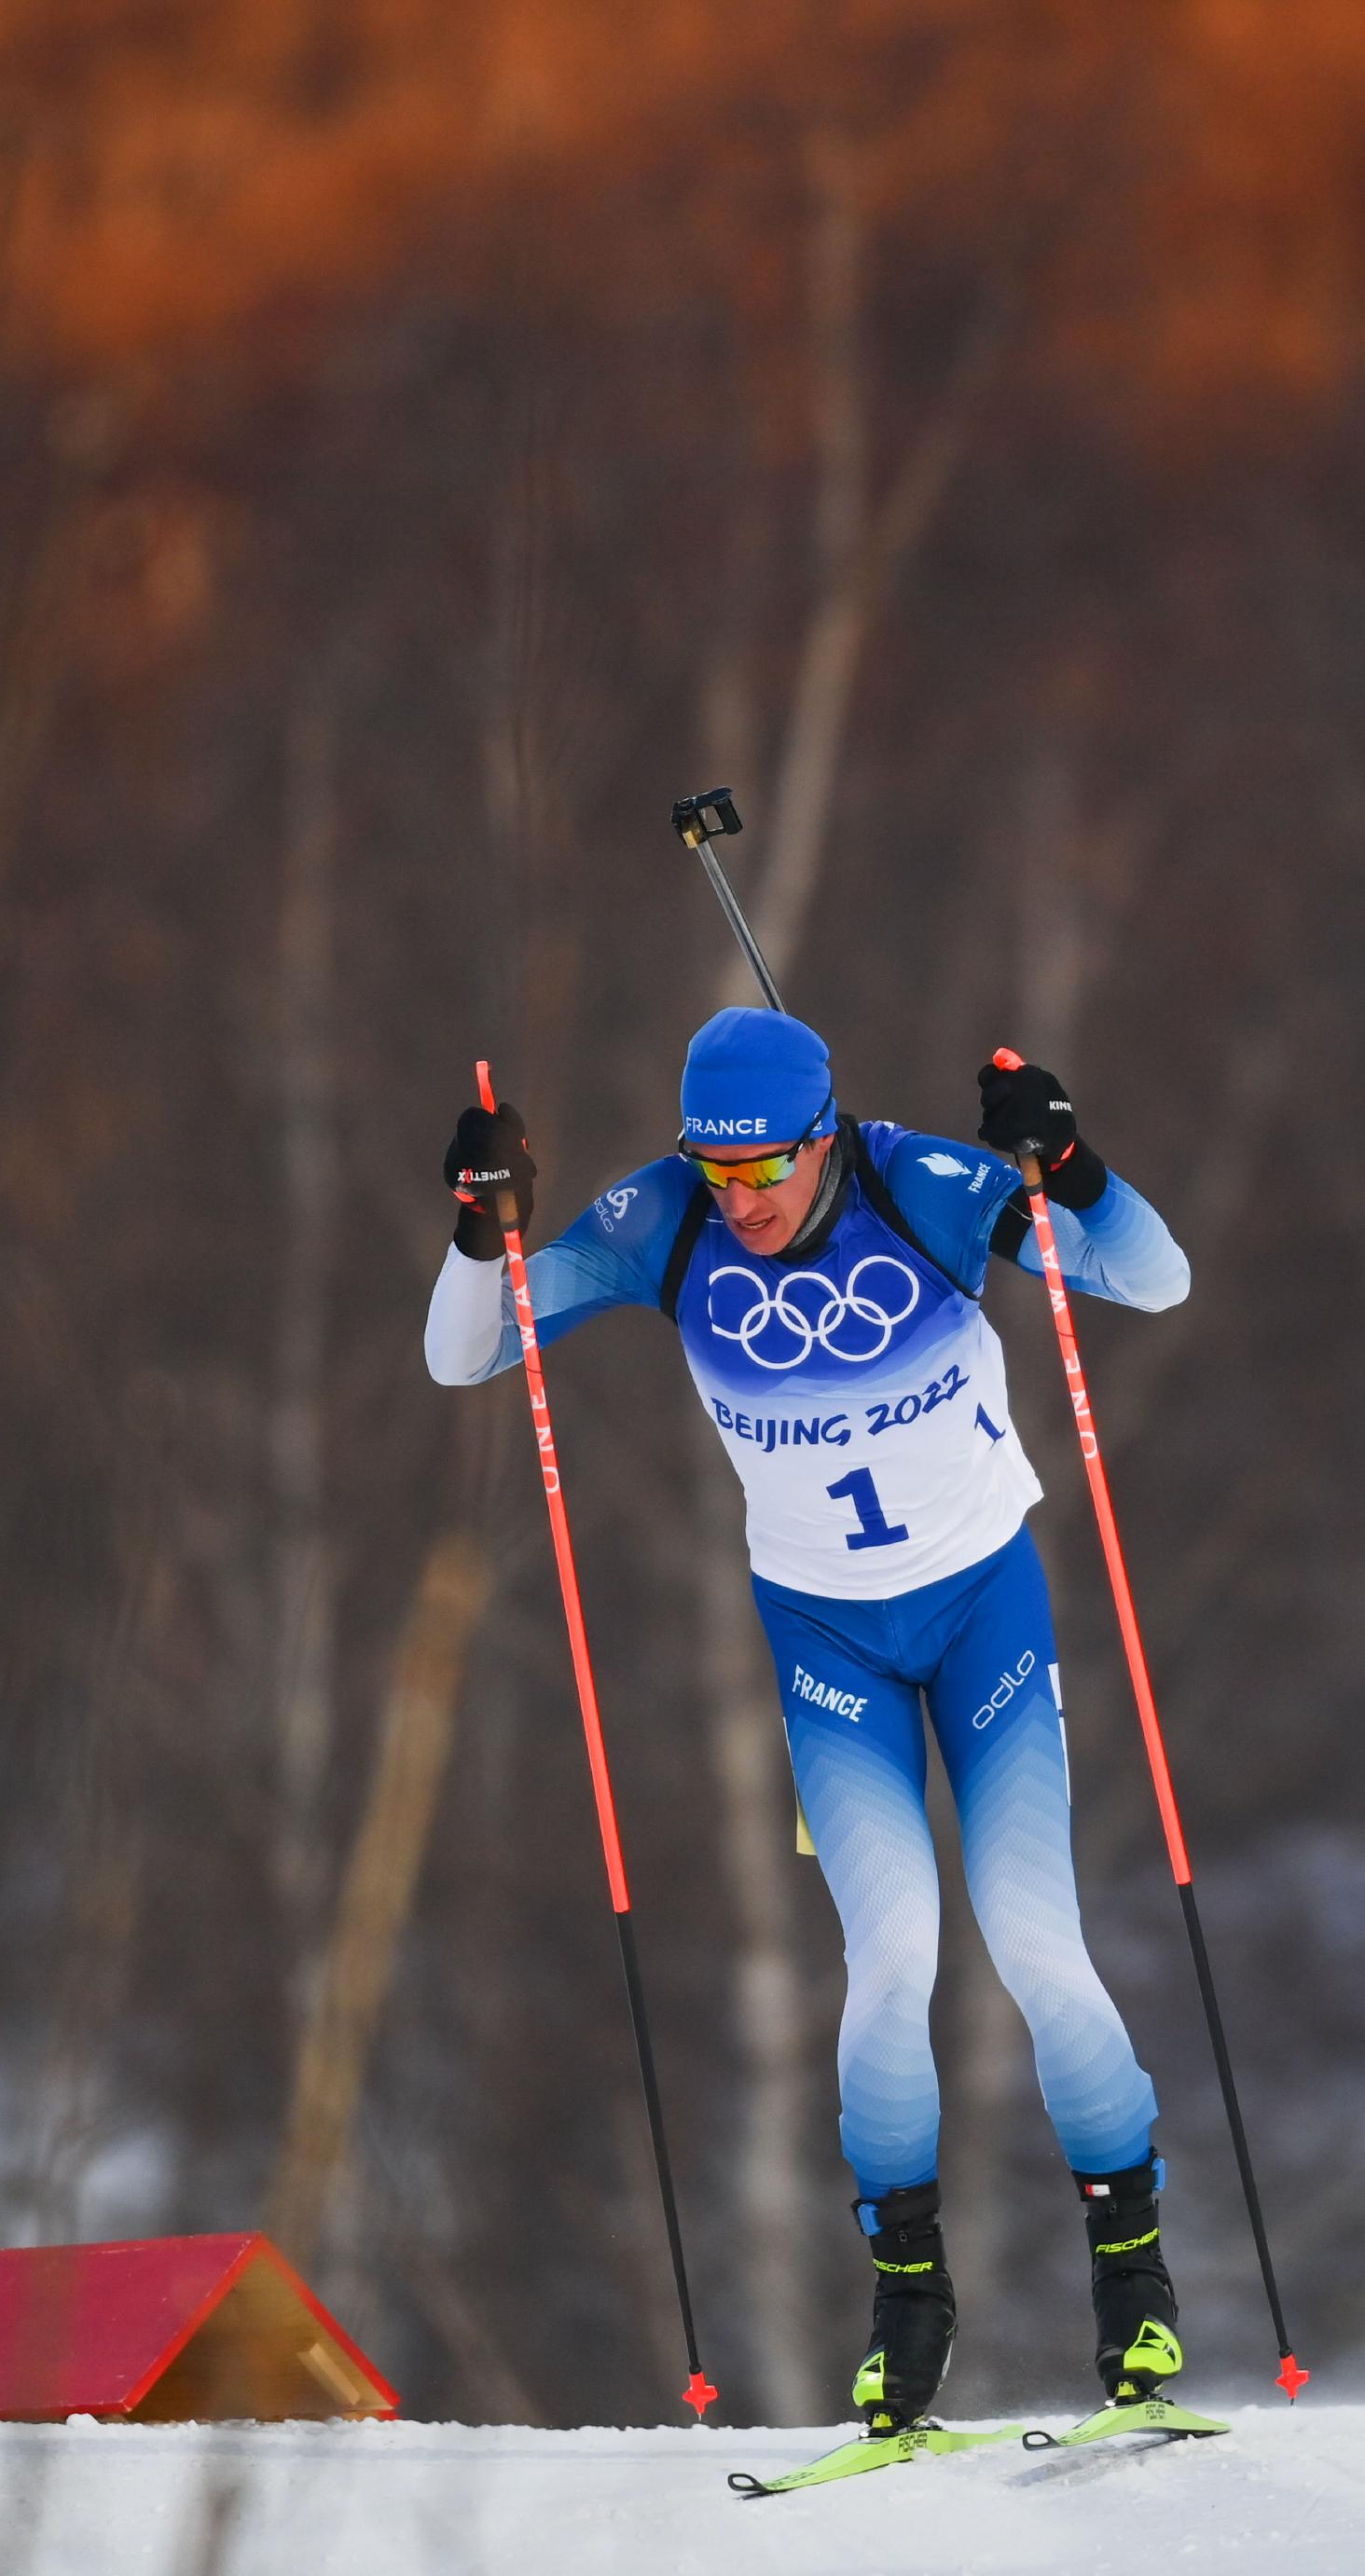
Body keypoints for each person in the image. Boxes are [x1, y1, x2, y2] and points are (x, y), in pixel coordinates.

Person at [423, 1006, 1192, 2432]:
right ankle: (907, 2311)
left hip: (985, 1615)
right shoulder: (664, 1220)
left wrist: (1070, 1164)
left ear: (822, 1136)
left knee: (1035, 1939)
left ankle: (1134, 2285)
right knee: (889, 1962)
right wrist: (485, 1224)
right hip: (826, 1641)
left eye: (765, 1167)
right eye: (717, 1171)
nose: (743, 1201)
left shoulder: (922, 1187)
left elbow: (1155, 1276)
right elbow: (466, 1354)